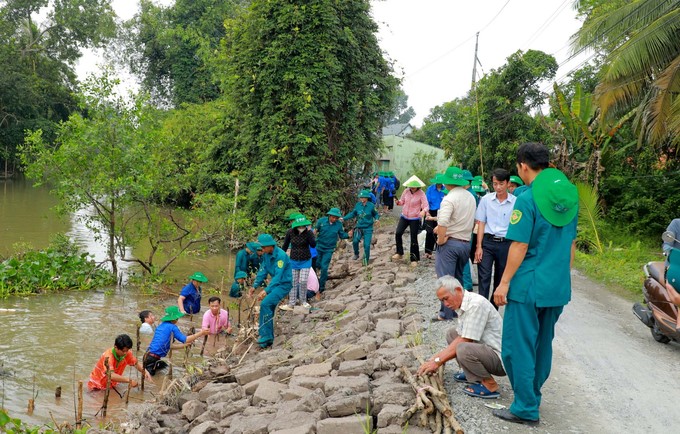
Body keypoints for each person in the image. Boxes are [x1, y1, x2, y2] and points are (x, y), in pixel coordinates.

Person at [492, 142, 578, 426]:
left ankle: (526, 407)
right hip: (556, 285)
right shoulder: (568, 195)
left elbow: (519, 245)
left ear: (523, 166)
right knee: (543, 345)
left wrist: (503, 283)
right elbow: (571, 244)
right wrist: (562, 275)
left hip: (528, 284)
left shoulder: (527, 199)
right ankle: (533, 396)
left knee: (517, 346)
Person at [417, 276, 505, 399]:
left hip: (501, 358)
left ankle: (489, 385)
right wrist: (435, 359)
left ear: (458, 290)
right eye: (442, 301)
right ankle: (472, 374)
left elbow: (465, 340)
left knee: (463, 348)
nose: (446, 304)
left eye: (446, 299)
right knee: (452, 334)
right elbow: (461, 336)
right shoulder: (463, 304)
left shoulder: (476, 305)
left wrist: (437, 361)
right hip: (486, 350)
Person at [433, 166, 476, 321]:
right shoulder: (470, 197)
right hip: (465, 243)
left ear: (447, 183)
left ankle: (446, 314)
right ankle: (461, 311)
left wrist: (441, 239)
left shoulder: (449, 198)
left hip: (450, 243)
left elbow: (443, 221)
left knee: (445, 280)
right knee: (458, 279)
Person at [474, 168, 516, 308]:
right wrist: (478, 246)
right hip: (487, 242)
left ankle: (493, 311)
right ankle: (482, 308)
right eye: (495, 184)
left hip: (506, 244)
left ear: (508, 184)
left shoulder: (515, 202)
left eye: (501, 184)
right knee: (484, 277)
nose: (497, 187)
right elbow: (481, 223)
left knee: (500, 278)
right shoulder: (486, 200)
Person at [249, 233, 293, 349]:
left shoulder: (281, 256)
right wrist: (254, 286)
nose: (261, 250)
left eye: (263, 247)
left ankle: (266, 335)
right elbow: (263, 271)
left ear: (270, 246)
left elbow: (278, 276)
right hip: (275, 284)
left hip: (283, 284)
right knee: (269, 308)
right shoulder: (266, 255)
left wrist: (266, 290)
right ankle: (268, 338)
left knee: (265, 303)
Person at [144, 306, 209, 375]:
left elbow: (168, 346)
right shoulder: (172, 327)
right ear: (174, 318)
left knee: (164, 368)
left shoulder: (161, 326)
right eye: (177, 318)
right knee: (150, 377)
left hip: (148, 355)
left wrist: (183, 346)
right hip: (153, 359)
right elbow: (185, 339)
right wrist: (201, 333)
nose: (178, 319)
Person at [282, 215, 316, 310]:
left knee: (303, 281)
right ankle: (291, 304)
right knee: (293, 282)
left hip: (305, 260)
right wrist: (281, 256)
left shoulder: (308, 233)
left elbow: (313, 245)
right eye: (299, 226)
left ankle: (303, 301)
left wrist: (311, 234)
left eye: (303, 226)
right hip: (293, 260)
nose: (301, 228)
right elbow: (285, 246)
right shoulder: (290, 232)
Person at [393, 175, 429, 267]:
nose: (412, 188)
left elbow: (426, 206)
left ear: (418, 186)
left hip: (415, 218)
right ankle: (399, 252)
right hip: (404, 216)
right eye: (411, 186)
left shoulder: (421, 193)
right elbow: (402, 202)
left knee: (413, 238)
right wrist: (398, 202)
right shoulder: (406, 191)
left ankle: (414, 258)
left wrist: (423, 212)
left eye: (414, 186)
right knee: (398, 233)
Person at [314, 207, 350, 294]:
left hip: (329, 249)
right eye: (333, 217)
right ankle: (314, 284)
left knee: (324, 267)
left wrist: (348, 235)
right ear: (329, 215)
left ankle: (321, 287)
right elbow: (315, 231)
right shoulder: (321, 221)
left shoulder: (338, 225)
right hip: (318, 247)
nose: (334, 219)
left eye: (336, 218)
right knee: (316, 264)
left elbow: (341, 235)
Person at [344, 190, 380, 265]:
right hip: (359, 227)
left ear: (367, 198)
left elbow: (376, 214)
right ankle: (356, 254)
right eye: (360, 197)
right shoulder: (358, 205)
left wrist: (377, 219)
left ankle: (366, 260)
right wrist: (344, 218)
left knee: (366, 245)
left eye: (363, 197)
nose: (361, 199)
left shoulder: (371, 206)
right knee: (355, 241)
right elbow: (353, 214)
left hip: (368, 228)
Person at [424, 174, 447, 259]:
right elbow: (426, 202)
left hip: (442, 212)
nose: (439, 184)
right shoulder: (430, 189)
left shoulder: (445, 190)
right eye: (437, 183)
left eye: (440, 183)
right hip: (431, 211)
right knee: (430, 231)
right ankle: (428, 251)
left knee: (440, 231)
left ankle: (439, 251)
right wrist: (427, 212)